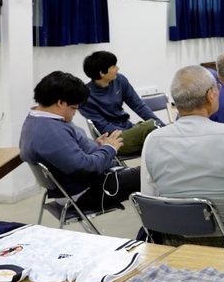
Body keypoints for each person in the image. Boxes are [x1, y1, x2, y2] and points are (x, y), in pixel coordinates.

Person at [141, 65, 224, 251]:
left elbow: (150, 199)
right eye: (217, 88)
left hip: (178, 238)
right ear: (210, 96)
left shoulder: (152, 140)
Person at [19, 71, 140, 211]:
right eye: (73, 108)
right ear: (60, 103)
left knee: (150, 174)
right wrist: (108, 149)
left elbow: (69, 154)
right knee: (153, 175)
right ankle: (158, 228)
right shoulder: (50, 131)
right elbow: (84, 167)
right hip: (84, 193)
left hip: (83, 185)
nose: (74, 113)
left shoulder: (38, 120)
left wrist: (97, 146)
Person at [80, 51, 163, 155]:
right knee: (152, 127)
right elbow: (104, 127)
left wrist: (162, 126)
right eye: (114, 66)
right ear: (102, 73)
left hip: (129, 129)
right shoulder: (85, 96)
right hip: (113, 139)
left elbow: (138, 105)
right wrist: (132, 131)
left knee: (157, 133)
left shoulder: (120, 80)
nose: (117, 68)